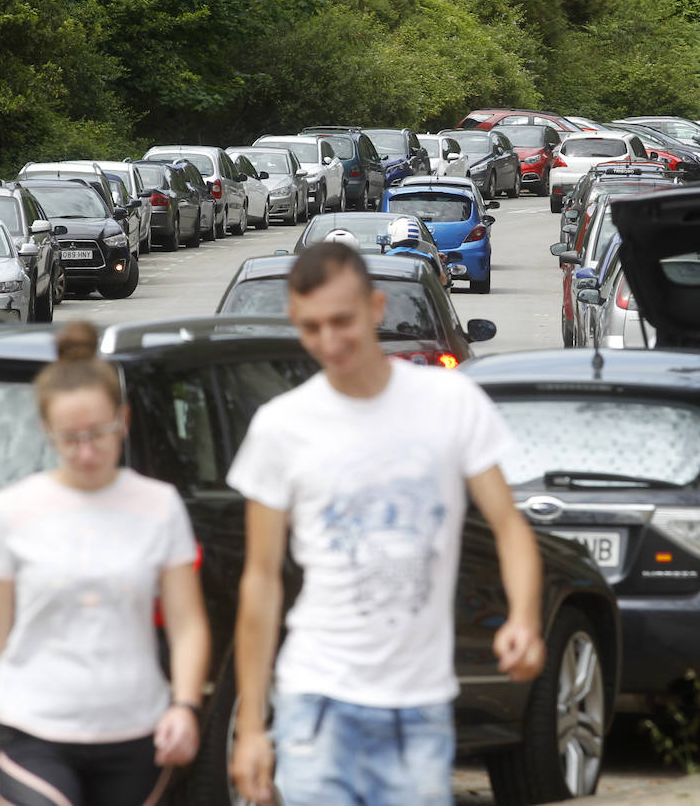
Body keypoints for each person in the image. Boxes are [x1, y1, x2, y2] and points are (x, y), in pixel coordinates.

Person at [228, 242, 545, 806]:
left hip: (418, 708)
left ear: (376, 308)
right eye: (311, 327)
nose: (329, 341)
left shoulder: (449, 400)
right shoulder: (281, 427)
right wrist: (252, 725)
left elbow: (508, 524)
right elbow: (259, 580)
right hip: (314, 701)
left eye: (342, 321)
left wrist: (523, 617)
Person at [0, 322, 210, 806]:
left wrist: (185, 706)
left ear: (123, 420)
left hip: (136, 729)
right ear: (47, 433)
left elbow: (188, 625)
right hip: (33, 727)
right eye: (70, 438)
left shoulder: (160, 505)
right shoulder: (12, 510)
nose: (87, 452)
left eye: (100, 434)